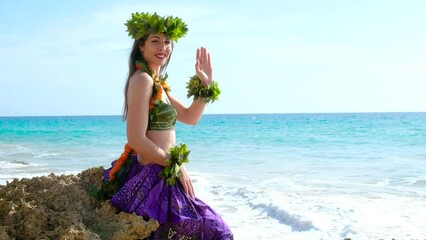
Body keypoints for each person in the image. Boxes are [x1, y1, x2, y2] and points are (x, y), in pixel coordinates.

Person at [99, 12, 233, 240]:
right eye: (155, 41)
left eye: (167, 42)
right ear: (141, 46)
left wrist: (205, 85)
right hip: (153, 178)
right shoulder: (143, 80)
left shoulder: (159, 85)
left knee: (213, 231)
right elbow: (136, 139)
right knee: (216, 232)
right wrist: (177, 166)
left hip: (165, 175)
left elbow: (191, 117)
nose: (163, 47)